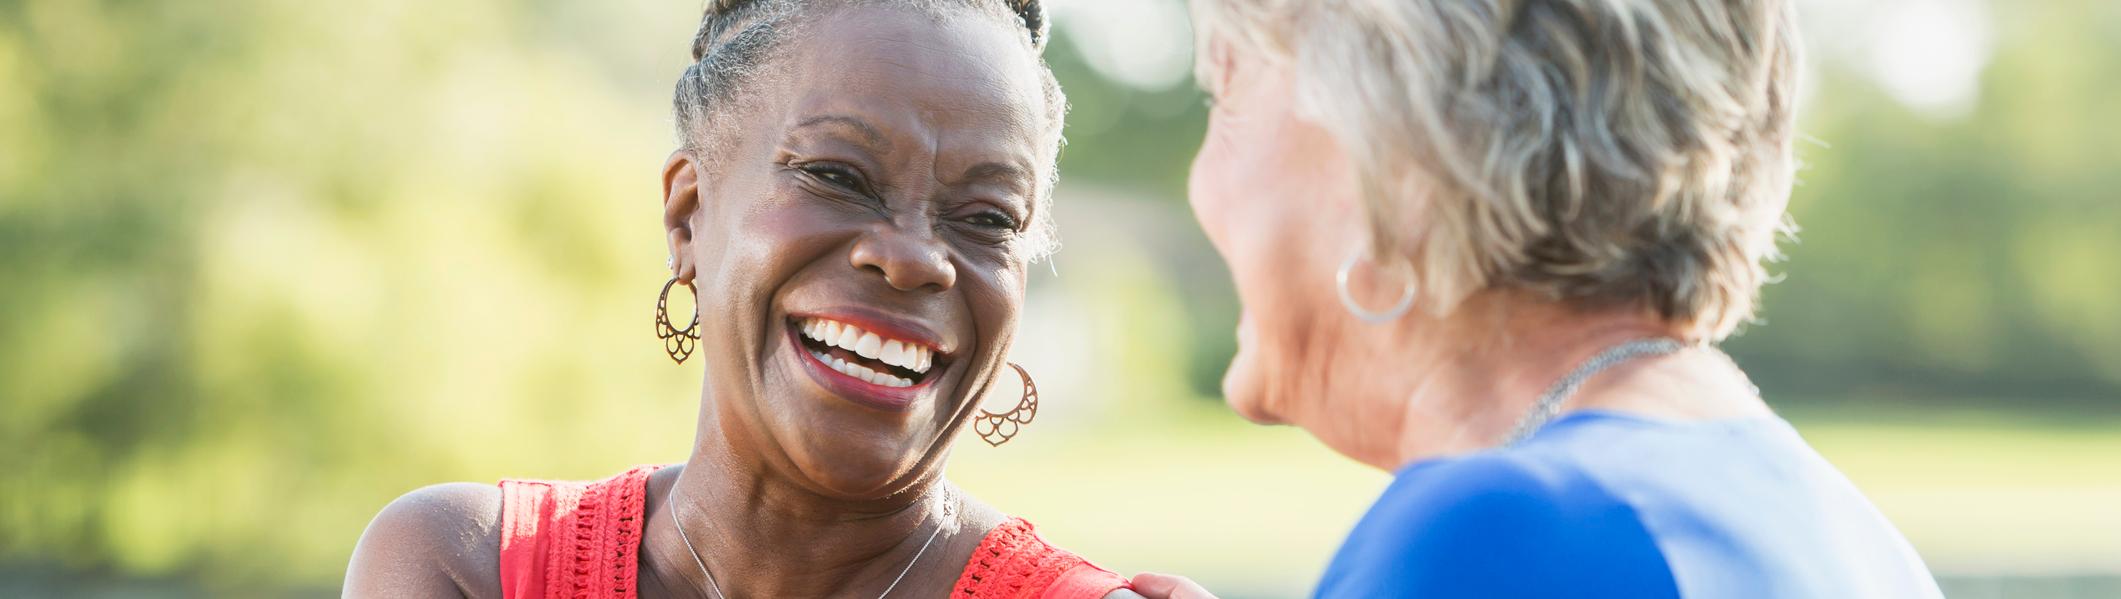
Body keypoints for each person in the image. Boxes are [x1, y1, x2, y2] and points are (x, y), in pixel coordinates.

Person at [1132, 0, 1944, 597]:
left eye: (1225, 99)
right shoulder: (1847, 530)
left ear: (1390, 165)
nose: (1202, 182)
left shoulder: (1503, 533)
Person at [343, 1, 1139, 597]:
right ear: (688, 214)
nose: (912, 260)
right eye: (836, 176)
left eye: (988, 217)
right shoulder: (468, 566)